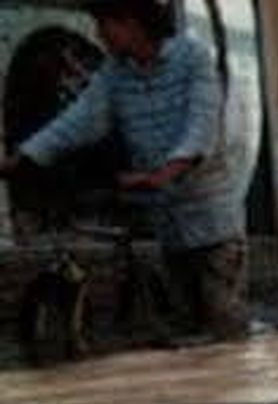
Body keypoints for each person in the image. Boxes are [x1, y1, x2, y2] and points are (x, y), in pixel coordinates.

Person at [0, 0, 253, 342]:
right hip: (169, 224)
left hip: (211, 222)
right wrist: (25, 156)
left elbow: (201, 127)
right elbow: (79, 121)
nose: (100, 37)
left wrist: (164, 173)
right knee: (186, 330)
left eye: (105, 27)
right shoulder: (115, 74)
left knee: (224, 326)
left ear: (130, 23)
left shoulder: (192, 58)